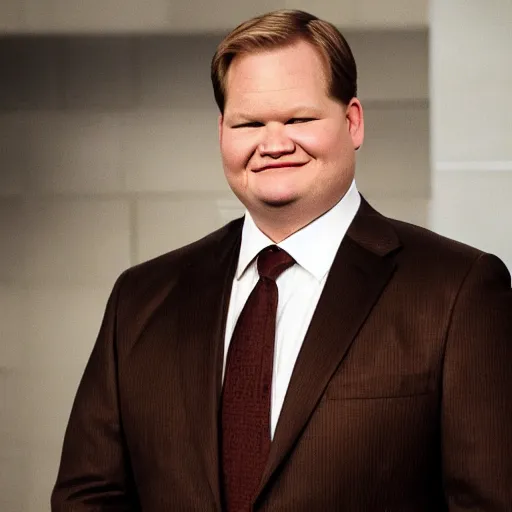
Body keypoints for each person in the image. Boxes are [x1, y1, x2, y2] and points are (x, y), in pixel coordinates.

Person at [51, 9, 512, 512]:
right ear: (222, 131)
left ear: (353, 121)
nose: (274, 144)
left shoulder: (458, 291)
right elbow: (88, 497)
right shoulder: (140, 298)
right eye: (249, 123)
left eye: (299, 119)